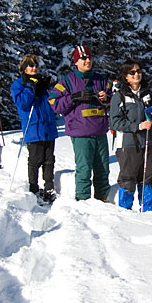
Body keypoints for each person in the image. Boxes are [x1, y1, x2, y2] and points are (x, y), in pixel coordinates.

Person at [109, 59, 152, 211]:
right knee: (128, 178)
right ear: (125, 76)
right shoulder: (119, 96)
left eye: (138, 71)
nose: (136, 75)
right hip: (127, 144)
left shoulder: (148, 95)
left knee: (146, 177)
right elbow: (114, 122)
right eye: (132, 72)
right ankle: (125, 210)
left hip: (147, 142)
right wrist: (138, 126)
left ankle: (147, 209)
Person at [49, 45, 112, 201]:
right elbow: (53, 102)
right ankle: (83, 201)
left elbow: (114, 98)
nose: (87, 61)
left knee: (103, 169)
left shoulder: (101, 79)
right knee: (84, 170)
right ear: (76, 62)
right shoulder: (67, 81)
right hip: (81, 133)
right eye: (83, 58)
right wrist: (73, 97)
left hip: (100, 130)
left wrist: (107, 98)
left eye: (89, 57)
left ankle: (103, 199)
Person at [11, 54, 58, 203]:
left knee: (49, 159)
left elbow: (53, 102)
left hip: (48, 125)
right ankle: (33, 187)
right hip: (33, 126)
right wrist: (30, 87)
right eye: (30, 65)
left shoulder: (41, 81)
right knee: (36, 159)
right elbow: (22, 104)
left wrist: (49, 88)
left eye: (36, 65)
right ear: (24, 68)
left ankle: (49, 186)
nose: (34, 68)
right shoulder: (19, 84)